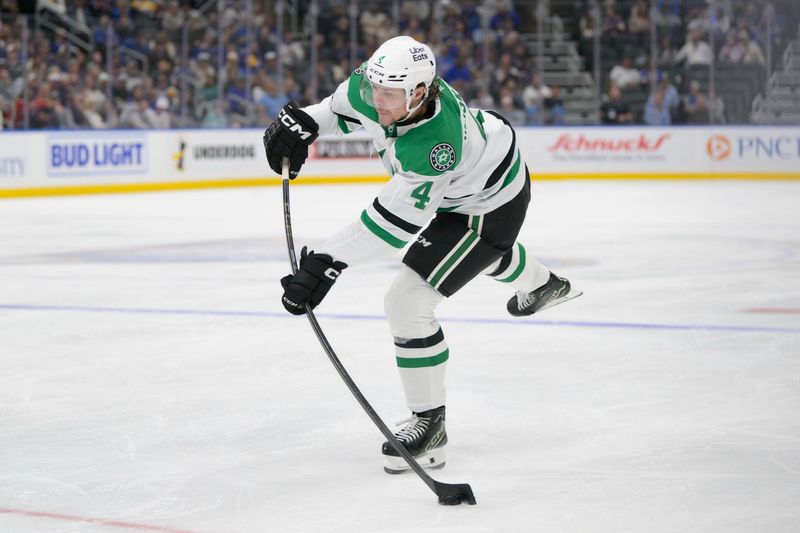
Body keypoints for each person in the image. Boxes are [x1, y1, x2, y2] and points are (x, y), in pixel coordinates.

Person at [263, 36, 580, 474]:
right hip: (475, 174)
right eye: (375, 89)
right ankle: (543, 284)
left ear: (419, 93)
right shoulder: (380, 84)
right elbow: (340, 110)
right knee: (468, 259)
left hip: (488, 205)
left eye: (389, 96)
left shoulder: (435, 144)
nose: (377, 101)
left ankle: (430, 428)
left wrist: (325, 262)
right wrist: (306, 122)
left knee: (407, 301)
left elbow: (391, 227)